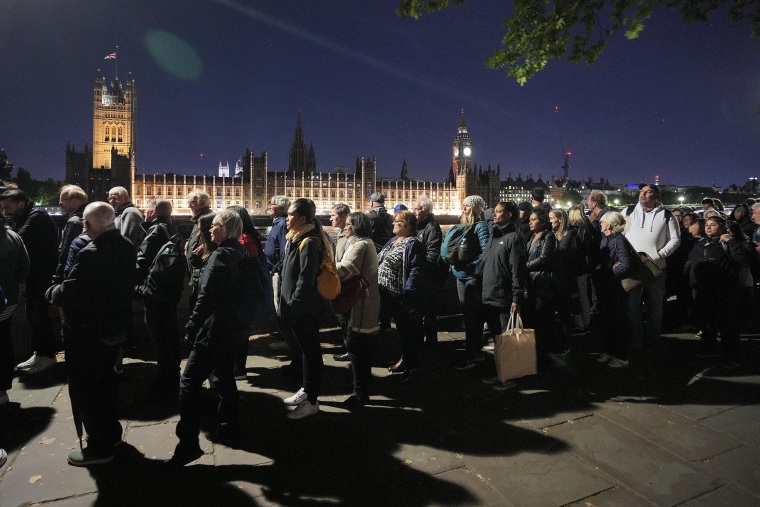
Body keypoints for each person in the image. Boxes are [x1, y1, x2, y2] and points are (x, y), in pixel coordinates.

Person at [47, 202, 136, 466]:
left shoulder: (90, 252)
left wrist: (51, 292)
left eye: (85, 224)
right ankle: (113, 434)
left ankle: (100, 447)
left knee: (88, 389)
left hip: (88, 333)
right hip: (115, 328)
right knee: (107, 383)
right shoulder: (126, 247)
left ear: (88, 225)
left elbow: (69, 292)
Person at [164, 210, 250, 468]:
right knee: (224, 377)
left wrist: (191, 326)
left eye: (215, 226)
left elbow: (205, 298)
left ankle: (188, 444)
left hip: (212, 330)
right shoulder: (238, 252)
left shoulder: (220, 257)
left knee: (188, 384)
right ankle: (229, 426)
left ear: (226, 229)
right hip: (230, 329)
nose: (210, 230)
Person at [280, 198, 332, 419]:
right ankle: (306, 390)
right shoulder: (297, 238)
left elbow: (305, 278)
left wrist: (295, 305)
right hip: (298, 307)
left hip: (305, 309)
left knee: (311, 353)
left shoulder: (309, 242)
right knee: (306, 352)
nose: (287, 218)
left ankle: (311, 401)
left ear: (302, 218)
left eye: (290, 214)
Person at [0, 189, 58, 375]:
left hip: (42, 276)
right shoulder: (27, 215)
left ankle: (48, 356)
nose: (4, 211)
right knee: (33, 316)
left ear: (21, 204)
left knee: (39, 315)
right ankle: (40, 353)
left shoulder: (37, 216)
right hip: (34, 276)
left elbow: (19, 240)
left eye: (7, 207)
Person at [621, 183, 680, 347]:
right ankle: (636, 336)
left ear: (656, 196)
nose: (643, 194)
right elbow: (619, 234)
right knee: (632, 305)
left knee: (656, 305)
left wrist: (659, 255)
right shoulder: (628, 212)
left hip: (656, 267)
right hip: (633, 267)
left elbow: (675, 239)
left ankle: (653, 336)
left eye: (648, 192)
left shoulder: (667, 215)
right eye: (642, 191)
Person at [476, 202, 527, 390]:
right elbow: (486, 264)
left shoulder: (513, 238)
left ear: (510, 215)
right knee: (498, 339)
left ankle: (509, 377)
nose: (494, 215)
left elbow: (517, 270)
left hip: (503, 296)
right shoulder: (494, 236)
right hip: (489, 294)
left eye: (499, 212)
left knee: (506, 339)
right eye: (494, 211)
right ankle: (501, 373)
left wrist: (516, 297)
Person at [135, 199, 182, 401]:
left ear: (153, 212)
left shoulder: (154, 231)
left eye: (147, 211)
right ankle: (172, 377)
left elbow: (142, 262)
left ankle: (165, 384)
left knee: (160, 340)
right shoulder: (173, 230)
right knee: (170, 338)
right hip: (170, 292)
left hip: (156, 293)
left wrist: (135, 285)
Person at [684, 215, 746, 368]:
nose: (708, 227)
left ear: (722, 227)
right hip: (701, 290)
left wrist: (730, 241)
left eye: (713, 225)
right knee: (706, 323)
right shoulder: (700, 243)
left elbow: (741, 259)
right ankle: (709, 348)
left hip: (723, 291)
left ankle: (731, 356)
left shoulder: (726, 243)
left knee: (727, 326)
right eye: (707, 224)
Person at [335, 212, 380, 405]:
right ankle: (361, 386)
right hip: (364, 302)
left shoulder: (360, 245)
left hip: (360, 304)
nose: (345, 228)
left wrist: (325, 267)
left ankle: (360, 392)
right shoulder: (366, 243)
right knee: (360, 349)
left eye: (348, 225)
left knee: (356, 348)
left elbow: (345, 270)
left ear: (356, 227)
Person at [378, 210, 426, 382]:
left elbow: (416, 270)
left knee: (408, 332)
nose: (393, 224)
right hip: (388, 294)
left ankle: (412, 367)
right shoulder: (392, 241)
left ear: (406, 225)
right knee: (401, 331)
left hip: (402, 295)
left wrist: (408, 292)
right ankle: (404, 360)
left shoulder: (413, 243)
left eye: (396, 221)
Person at [452, 195, 491, 370]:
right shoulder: (464, 225)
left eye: (467, 206)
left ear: (475, 209)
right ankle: (475, 352)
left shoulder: (481, 226)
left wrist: (470, 267)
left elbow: (485, 253)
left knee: (472, 317)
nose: (463, 209)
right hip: (461, 275)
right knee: (469, 317)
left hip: (470, 277)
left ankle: (472, 355)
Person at [227, 205, 263, 380]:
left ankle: (239, 368)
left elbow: (251, 268)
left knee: (240, 333)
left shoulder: (245, 240)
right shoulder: (243, 238)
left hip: (241, 294)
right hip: (240, 293)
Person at [595, 212, 633, 368]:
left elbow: (625, 264)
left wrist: (609, 275)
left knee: (618, 322)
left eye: (602, 222)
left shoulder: (619, 241)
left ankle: (622, 356)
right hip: (606, 287)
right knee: (608, 321)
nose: (600, 224)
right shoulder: (607, 239)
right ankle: (610, 351)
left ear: (608, 225)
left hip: (615, 288)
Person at [264, 196, 299, 364]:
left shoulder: (282, 224)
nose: (269, 207)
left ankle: (289, 343)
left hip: (279, 272)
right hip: (276, 270)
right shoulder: (278, 223)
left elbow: (285, 249)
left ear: (278, 208)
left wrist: (276, 268)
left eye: (272, 205)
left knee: (281, 308)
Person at [523, 208, 561, 365]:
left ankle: (544, 355)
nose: (530, 222)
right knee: (533, 320)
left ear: (543, 222)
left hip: (543, 283)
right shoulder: (532, 237)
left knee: (543, 320)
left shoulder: (548, 237)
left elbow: (544, 258)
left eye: (534, 219)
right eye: (530, 219)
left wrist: (525, 266)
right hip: (532, 283)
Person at [0, 214, 30, 406]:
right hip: (7, 300)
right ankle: (2, 391)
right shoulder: (12, 235)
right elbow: (24, 267)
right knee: (3, 341)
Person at [412, 195, 445, 347]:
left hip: (427, 276)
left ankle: (431, 344)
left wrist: (420, 268)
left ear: (425, 210)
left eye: (416, 209)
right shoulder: (420, 226)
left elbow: (433, 254)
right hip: (421, 274)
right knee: (421, 311)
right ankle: (422, 340)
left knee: (429, 312)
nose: (414, 211)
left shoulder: (431, 227)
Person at [567, 204, 596, 335]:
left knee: (580, 295)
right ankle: (586, 322)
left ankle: (584, 324)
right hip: (586, 267)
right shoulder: (588, 226)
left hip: (579, 267)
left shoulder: (577, 229)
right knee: (584, 294)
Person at [329, 203, 351, 361]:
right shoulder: (342, 233)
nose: (330, 218)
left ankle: (350, 351)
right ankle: (348, 348)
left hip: (346, 283)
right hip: (340, 281)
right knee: (343, 319)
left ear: (343, 217)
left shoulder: (349, 235)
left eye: (333, 215)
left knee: (346, 319)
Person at [53, 185, 88, 284]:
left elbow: (66, 252)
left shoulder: (73, 222)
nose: (60, 203)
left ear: (74, 202)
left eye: (62, 200)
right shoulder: (88, 217)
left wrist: (57, 279)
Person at [185, 190, 213, 307]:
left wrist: (207, 245)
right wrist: (189, 242)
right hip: (196, 272)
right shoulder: (199, 219)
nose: (188, 206)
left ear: (201, 203)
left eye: (191, 202)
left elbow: (218, 241)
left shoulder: (208, 219)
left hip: (201, 274)